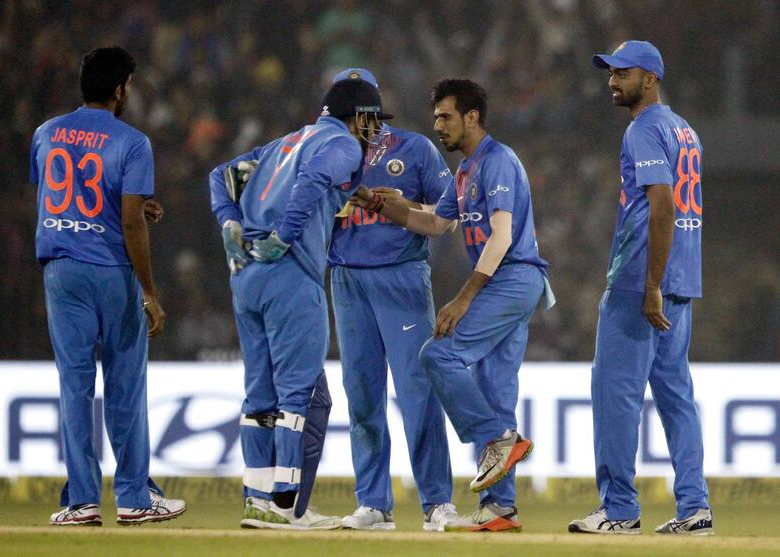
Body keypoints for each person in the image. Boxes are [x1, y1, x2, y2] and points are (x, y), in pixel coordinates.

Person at [353, 78, 554, 532]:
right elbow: (435, 223)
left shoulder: (497, 162)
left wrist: (464, 298)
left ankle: (497, 440)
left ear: (472, 117)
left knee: (438, 352)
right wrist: (376, 203)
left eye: (445, 116)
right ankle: (500, 508)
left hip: (513, 277)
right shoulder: (464, 172)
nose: (437, 125)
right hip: (509, 282)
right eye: (435, 117)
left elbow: (502, 236)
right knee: (495, 387)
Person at [209, 77, 390, 530]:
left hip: (245, 277)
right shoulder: (342, 145)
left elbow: (220, 176)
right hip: (290, 274)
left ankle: (256, 499)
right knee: (296, 394)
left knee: (259, 394)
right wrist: (284, 237)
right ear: (355, 115)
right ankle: (286, 505)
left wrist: (230, 223)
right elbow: (313, 182)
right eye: (372, 120)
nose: (375, 131)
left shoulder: (283, 143)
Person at [30, 47, 185, 526]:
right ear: (120, 90)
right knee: (125, 387)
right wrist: (150, 291)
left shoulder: (44, 134)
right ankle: (136, 498)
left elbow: (65, 194)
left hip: (62, 270)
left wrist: (136, 205)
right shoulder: (133, 142)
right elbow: (129, 225)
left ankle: (81, 501)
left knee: (74, 387)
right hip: (113, 271)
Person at [568, 40, 711, 535]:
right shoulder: (683, 129)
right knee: (675, 396)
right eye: (609, 72)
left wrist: (649, 284)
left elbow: (662, 205)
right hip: (681, 278)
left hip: (640, 282)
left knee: (614, 395)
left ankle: (619, 510)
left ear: (649, 78)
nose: (612, 81)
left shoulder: (644, 129)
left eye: (622, 73)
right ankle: (695, 507)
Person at [327, 69, 457, 532]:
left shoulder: (414, 148)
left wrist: (402, 206)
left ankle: (437, 501)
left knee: (417, 392)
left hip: (400, 277)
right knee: (362, 395)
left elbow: (449, 214)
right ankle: (374, 504)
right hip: (346, 279)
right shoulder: (325, 151)